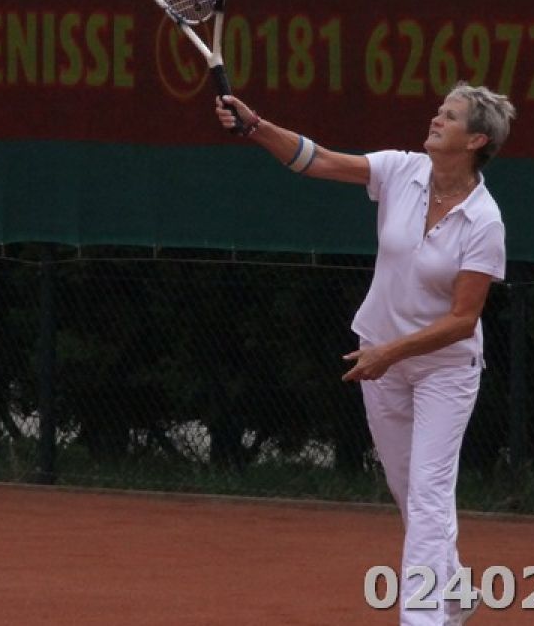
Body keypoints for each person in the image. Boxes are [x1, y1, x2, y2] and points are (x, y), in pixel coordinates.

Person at [215, 82, 516, 626]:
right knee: (410, 492)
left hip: (445, 370)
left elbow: (462, 321)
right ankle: (455, 594)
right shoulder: (402, 171)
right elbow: (319, 160)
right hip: (381, 359)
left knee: (428, 494)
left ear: (476, 140)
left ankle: (422, 619)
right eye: (439, 111)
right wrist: (256, 127)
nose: (436, 119)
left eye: (449, 116)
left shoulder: (484, 221)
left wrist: (389, 354)